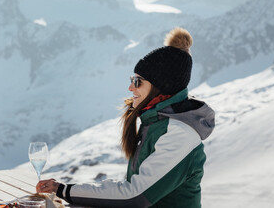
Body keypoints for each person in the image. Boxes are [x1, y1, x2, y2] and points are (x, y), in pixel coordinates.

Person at [36, 27, 215, 207]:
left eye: (138, 82)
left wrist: (64, 190)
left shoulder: (178, 134)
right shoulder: (156, 124)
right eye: (132, 79)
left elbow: (134, 195)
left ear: (161, 86)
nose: (131, 88)